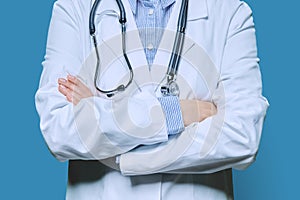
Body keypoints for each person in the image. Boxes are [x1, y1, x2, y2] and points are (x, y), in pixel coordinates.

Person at [35, 0, 269, 199]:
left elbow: (242, 136)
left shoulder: (230, 13)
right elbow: (59, 129)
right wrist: (175, 113)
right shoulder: (75, 7)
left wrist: (115, 146)